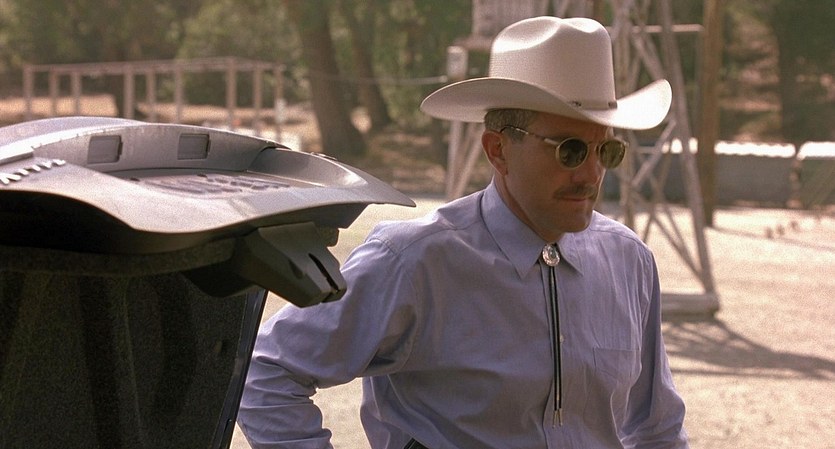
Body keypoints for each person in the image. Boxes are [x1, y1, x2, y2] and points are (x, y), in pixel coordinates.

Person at [238, 16, 689, 449]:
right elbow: (267, 370)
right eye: (569, 151)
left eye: (606, 151)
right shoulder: (415, 261)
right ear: (498, 150)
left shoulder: (628, 260)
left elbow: (657, 429)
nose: (591, 174)